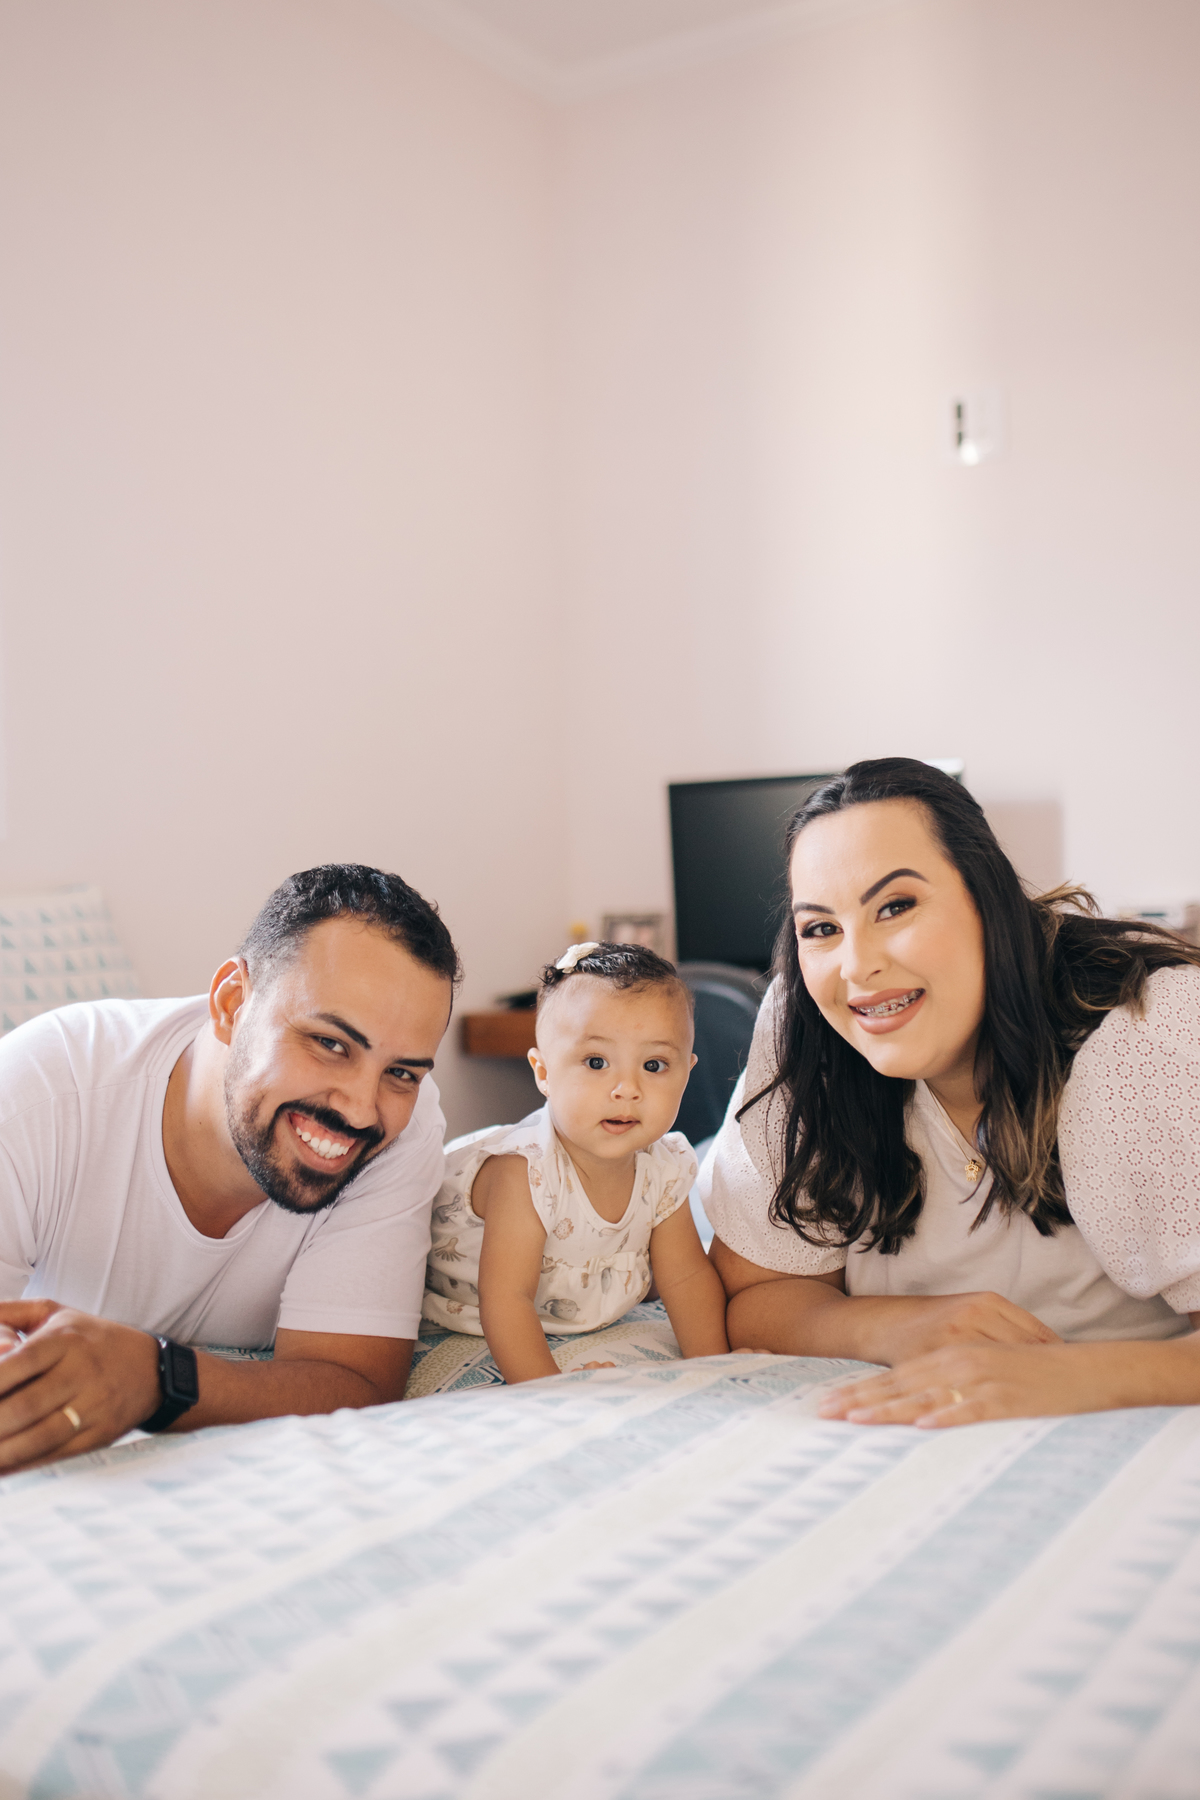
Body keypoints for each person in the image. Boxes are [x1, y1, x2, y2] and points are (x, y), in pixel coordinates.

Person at [700, 758, 1200, 1426]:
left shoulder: (1143, 1030)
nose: (857, 966)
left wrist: (1066, 1376)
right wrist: (897, 1326)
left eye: (895, 906)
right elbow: (757, 1291)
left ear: (988, 901)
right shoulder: (806, 1020)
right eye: (821, 928)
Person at [0, 863, 459, 1473]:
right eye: (330, 1043)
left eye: (401, 1072)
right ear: (231, 1003)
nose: (359, 1109)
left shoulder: (403, 1130)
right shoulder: (41, 1089)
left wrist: (159, 1378)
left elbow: (355, 1380)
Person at [424, 941, 729, 1380]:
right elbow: (506, 1297)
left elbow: (686, 1278)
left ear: (686, 1073)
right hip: (478, 1298)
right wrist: (552, 1390)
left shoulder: (664, 1167)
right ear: (544, 1073)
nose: (627, 1089)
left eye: (654, 1065)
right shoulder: (524, 1171)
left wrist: (718, 1365)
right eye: (596, 1062)